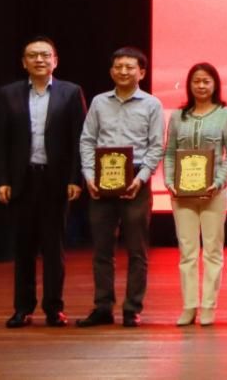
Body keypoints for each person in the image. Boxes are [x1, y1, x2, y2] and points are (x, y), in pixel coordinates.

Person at [0, 36, 87, 328]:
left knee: (53, 248)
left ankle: (54, 309)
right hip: (22, 181)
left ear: (55, 61)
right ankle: (22, 308)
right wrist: (2, 180)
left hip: (55, 181)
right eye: (33, 55)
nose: (39, 60)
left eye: (45, 55)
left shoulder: (71, 93)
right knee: (23, 249)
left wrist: (75, 179)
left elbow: (80, 139)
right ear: (24, 62)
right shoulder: (8, 94)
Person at [76, 47, 165, 328]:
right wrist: (89, 175)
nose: (123, 71)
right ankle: (103, 307)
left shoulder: (152, 104)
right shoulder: (99, 102)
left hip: (136, 179)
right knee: (102, 249)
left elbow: (156, 146)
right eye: (118, 67)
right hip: (102, 181)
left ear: (142, 72)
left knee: (137, 250)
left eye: (129, 67)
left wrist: (142, 178)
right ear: (111, 71)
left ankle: (132, 308)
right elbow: (87, 140)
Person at [161, 62, 227, 326]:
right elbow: (169, 153)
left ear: (215, 84)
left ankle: (208, 306)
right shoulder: (178, 116)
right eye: (196, 81)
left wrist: (218, 182)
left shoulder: (225, 114)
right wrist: (169, 181)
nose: (201, 86)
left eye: (206, 81)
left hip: (213, 194)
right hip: (182, 195)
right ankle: (189, 306)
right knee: (187, 252)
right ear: (189, 84)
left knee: (213, 251)